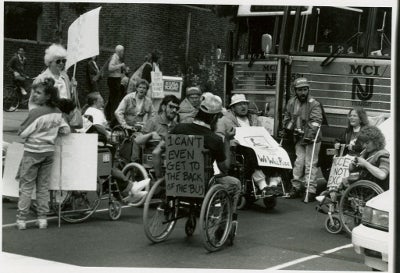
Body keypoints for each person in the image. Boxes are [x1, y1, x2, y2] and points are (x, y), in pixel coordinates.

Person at [171, 92, 241, 237]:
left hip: (175, 180)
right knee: (235, 184)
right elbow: (224, 167)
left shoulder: (178, 129)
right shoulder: (213, 140)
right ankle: (224, 224)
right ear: (215, 118)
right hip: (201, 185)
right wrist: (227, 140)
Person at [16, 77, 71, 230]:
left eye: (38, 93)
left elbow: (22, 132)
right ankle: (42, 218)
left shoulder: (36, 112)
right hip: (48, 152)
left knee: (26, 186)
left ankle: (21, 219)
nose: (34, 95)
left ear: (48, 96)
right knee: (43, 187)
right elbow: (66, 130)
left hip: (32, 152)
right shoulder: (58, 112)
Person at [216, 94, 278, 196]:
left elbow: (261, 133)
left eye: (245, 104)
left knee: (275, 149)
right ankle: (262, 185)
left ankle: (273, 184)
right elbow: (221, 136)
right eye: (239, 104)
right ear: (233, 107)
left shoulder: (253, 118)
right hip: (238, 148)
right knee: (250, 151)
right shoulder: (225, 119)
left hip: (257, 146)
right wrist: (231, 141)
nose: (243, 107)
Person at [281, 77, 324, 202]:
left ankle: (310, 190)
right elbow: (287, 118)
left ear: (308, 90)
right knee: (299, 162)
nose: (303, 92)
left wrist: (308, 135)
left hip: (312, 138)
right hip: (298, 137)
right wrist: (289, 129)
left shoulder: (314, 104)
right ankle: (296, 186)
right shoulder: (291, 102)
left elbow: (316, 122)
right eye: (300, 90)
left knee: (310, 163)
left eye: (305, 89)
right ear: (295, 91)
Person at [135, 95, 180, 178]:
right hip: (153, 164)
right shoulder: (153, 121)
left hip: (171, 164)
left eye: (176, 108)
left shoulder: (176, 126)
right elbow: (137, 140)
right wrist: (151, 134)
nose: (174, 110)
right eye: (171, 107)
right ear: (163, 107)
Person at [29, 44, 77, 109]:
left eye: (63, 61)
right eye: (58, 61)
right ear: (50, 62)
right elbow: (33, 102)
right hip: (48, 115)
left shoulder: (65, 77)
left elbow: (69, 98)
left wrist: (73, 87)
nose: (61, 63)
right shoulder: (41, 79)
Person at [348, 126, 390, 190]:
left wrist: (365, 163)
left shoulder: (383, 155)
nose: (364, 146)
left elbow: (382, 175)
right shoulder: (366, 152)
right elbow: (352, 171)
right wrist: (354, 165)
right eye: (363, 143)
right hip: (362, 188)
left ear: (376, 141)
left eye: (367, 143)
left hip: (373, 191)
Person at [105, 45, 126, 121]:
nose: (123, 53)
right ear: (119, 51)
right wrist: (121, 65)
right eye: (122, 51)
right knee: (115, 100)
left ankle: (109, 117)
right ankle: (113, 118)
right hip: (114, 80)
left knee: (112, 99)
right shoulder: (115, 57)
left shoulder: (116, 58)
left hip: (114, 80)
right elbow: (110, 68)